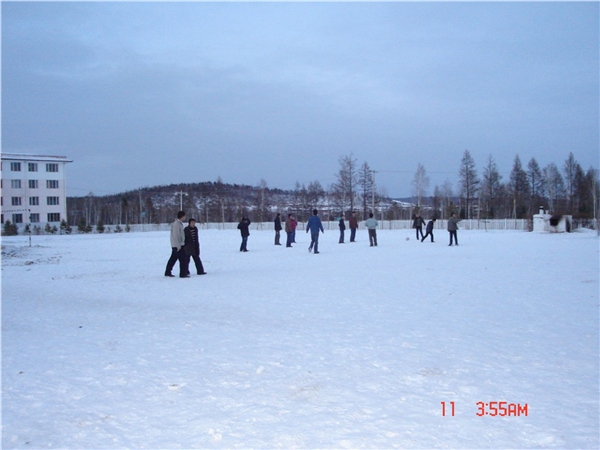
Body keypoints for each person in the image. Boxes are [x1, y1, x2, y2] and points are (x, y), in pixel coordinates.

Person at [165, 211, 189, 278]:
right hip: (178, 245)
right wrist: (179, 245)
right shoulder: (176, 224)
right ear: (182, 216)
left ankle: (168, 272)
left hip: (177, 245)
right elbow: (176, 235)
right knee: (183, 260)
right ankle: (183, 274)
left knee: (173, 259)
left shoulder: (179, 223)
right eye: (184, 216)